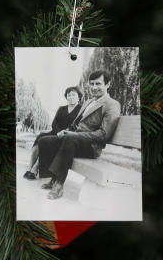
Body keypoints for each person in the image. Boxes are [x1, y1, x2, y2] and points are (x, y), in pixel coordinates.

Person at [35, 69, 121, 200]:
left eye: (98, 84)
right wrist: (66, 131)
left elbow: (104, 134)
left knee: (69, 138)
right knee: (44, 140)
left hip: (91, 147)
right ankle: (52, 178)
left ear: (108, 84)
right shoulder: (88, 102)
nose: (94, 87)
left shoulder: (112, 105)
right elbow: (76, 125)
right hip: (74, 140)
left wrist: (73, 135)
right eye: (91, 84)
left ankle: (59, 184)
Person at [23, 86, 82, 180]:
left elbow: (77, 126)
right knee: (40, 137)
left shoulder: (81, 110)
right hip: (55, 132)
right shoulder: (61, 108)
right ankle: (29, 168)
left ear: (79, 97)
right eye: (69, 95)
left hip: (67, 136)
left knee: (45, 142)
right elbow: (54, 123)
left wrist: (63, 133)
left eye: (73, 95)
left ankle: (35, 169)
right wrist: (58, 132)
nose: (71, 97)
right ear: (66, 97)